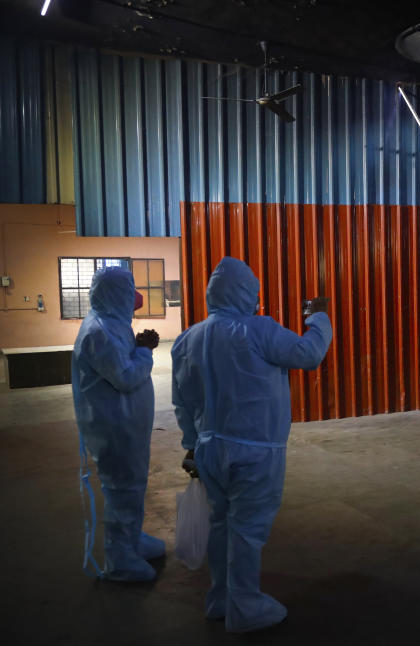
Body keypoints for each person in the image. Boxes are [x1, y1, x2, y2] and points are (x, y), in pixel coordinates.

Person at [171, 256, 333, 633]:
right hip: (255, 452)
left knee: (222, 525)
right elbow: (308, 355)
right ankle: (245, 608)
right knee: (247, 530)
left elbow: (183, 403)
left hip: (210, 449)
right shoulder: (258, 330)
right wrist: (319, 318)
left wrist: (191, 444)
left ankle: (220, 599)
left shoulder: (188, 339)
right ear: (245, 293)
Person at [72, 266, 165, 581]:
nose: (134, 298)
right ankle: (120, 559)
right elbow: (125, 377)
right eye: (130, 291)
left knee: (132, 487)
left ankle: (132, 539)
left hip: (126, 425)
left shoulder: (112, 325)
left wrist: (137, 346)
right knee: (122, 489)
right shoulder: (99, 331)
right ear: (116, 294)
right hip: (113, 428)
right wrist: (145, 351)